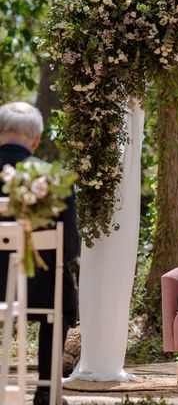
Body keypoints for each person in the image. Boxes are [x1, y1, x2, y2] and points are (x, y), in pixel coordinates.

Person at [0, 102, 81, 405]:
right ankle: (47, 390)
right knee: (62, 293)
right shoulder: (52, 180)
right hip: (39, 289)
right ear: (35, 140)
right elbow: (70, 249)